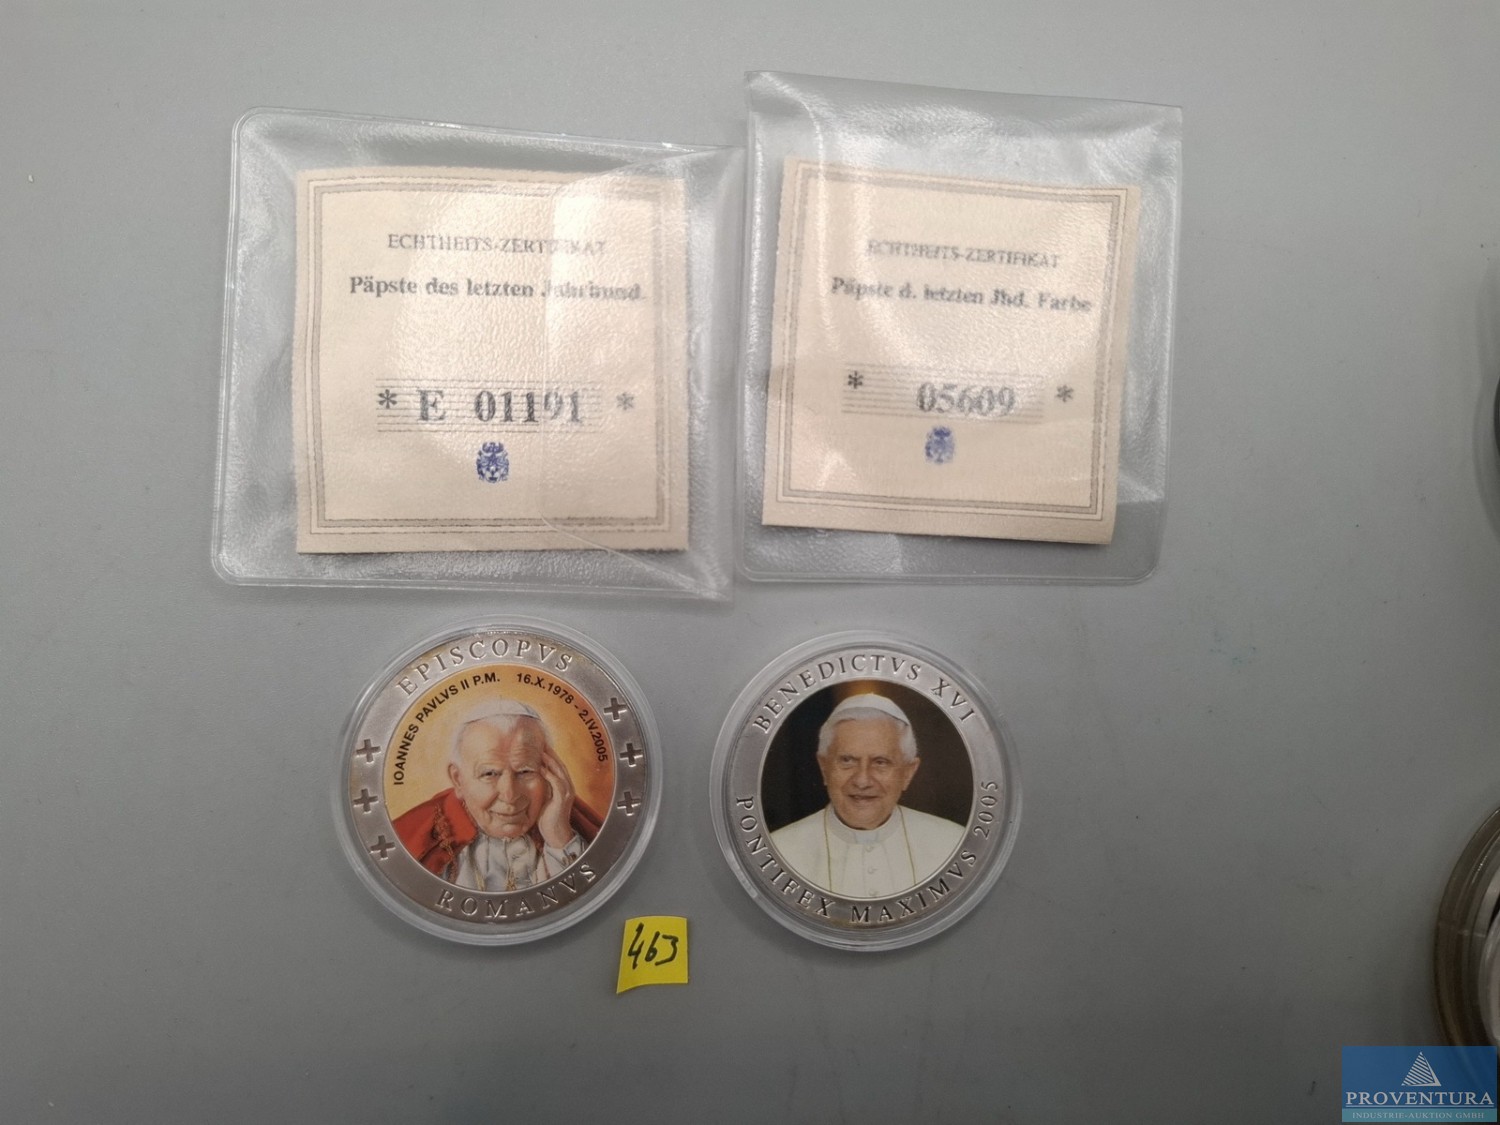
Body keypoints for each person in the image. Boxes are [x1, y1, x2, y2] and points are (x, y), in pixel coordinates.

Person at [770, 693, 964, 898]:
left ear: (908, 772)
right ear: (824, 768)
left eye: (880, 762)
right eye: (847, 761)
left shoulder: (953, 845)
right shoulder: (780, 852)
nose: (862, 781)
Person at [394, 700, 597, 892]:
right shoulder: (416, 836)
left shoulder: (571, 824)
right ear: (458, 779)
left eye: (525, 771)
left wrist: (559, 839)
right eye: (490, 773)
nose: (510, 795)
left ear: (550, 772)